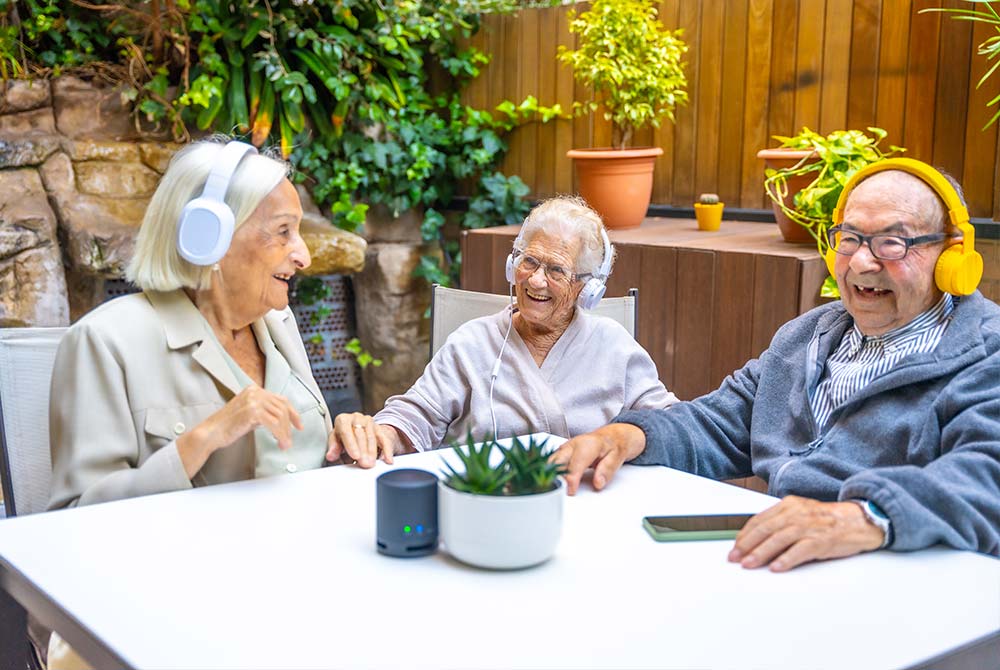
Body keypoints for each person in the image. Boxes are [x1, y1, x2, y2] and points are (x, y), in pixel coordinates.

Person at [552, 158, 1000, 572]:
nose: (863, 262)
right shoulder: (807, 336)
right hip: (785, 565)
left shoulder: (987, 353)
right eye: (849, 239)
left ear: (952, 254)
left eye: (891, 243)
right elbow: (722, 423)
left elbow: (984, 479)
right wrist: (630, 434)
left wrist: (865, 517)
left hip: (900, 576)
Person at [47, 137, 334, 511]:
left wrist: (342, 445)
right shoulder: (104, 341)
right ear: (209, 237)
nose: (304, 257)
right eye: (283, 232)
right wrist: (205, 438)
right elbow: (75, 516)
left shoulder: (277, 322)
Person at [329, 196, 678, 465]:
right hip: (485, 501)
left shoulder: (614, 346)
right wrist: (381, 434)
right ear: (513, 265)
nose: (536, 280)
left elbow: (670, 424)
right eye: (530, 261)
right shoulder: (472, 343)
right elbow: (418, 413)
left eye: (556, 270)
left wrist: (623, 437)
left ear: (587, 289)